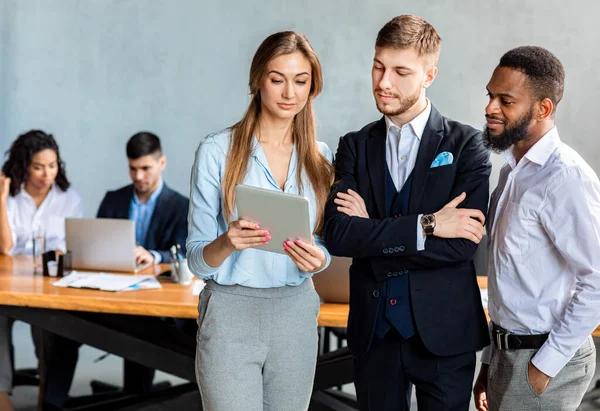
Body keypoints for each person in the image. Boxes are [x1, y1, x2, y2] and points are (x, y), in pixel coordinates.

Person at [323, 15, 491, 410]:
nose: (383, 82)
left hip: (445, 334)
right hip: (374, 332)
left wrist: (374, 234)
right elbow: (339, 234)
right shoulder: (354, 146)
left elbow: (461, 247)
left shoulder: (467, 146)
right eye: (379, 66)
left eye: (401, 72)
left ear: (429, 75)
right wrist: (429, 225)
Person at [186, 31, 334, 411]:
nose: (290, 93)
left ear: (311, 86)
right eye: (277, 79)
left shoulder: (319, 156)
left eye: (301, 81)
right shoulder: (217, 151)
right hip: (231, 312)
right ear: (258, 81)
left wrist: (320, 260)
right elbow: (197, 260)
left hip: (296, 312)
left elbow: (323, 244)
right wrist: (227, 242)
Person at [472, 46, 600, 411]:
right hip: (505, 355)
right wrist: (489, 359)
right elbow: (506, 278)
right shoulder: (512, 171)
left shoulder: (565, 177)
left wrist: (543, 367)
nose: (490, 108)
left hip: (542, 360)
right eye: (490, 95)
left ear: (543, 108)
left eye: (505, 100)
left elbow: (598, 279)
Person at [41, 131, 190, 410]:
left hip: (154, 305)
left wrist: (154, 255)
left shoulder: (181, 206)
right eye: (132, 169)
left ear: (162, 163)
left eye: (145, 168)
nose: (138, 176)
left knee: (141, 332)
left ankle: (137, 399)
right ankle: (51, 405)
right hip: (109, 296)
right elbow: (94, 245)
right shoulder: (115, 199)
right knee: (64, 325)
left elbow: (184, 253)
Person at [0, 130, 83, 411]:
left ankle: (46, 398)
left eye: (52, 165)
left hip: (47, 284)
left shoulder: (68, 197)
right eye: (38, 167)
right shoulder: (10, 195)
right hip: (8, 282)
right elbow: (6, 248)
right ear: (24, 165)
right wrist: (0, 199)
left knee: (50, 326)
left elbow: (69, 248)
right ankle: (1, 397)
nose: (47, 174)